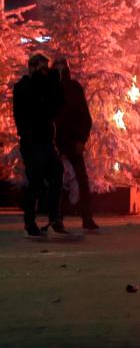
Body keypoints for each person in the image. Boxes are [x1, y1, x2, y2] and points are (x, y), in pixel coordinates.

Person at [13, 53, 67, 238]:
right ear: (33, 67)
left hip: (45, 140)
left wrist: (55, 80)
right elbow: (31, 103)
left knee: (56, 175)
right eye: (42, 68)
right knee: (35, 182)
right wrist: (43, 79)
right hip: (31, 141)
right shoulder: (23, 86)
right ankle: (30, 223)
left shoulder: (45, 86)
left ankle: (54, 219)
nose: (45, 72)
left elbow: (57, 105)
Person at [50, 58, 98, 231]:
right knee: (57, 181)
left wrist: (81, 139)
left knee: (81, 180)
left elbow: (85, 116)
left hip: (72, 141)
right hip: (57, 142)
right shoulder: (50, 89)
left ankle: (86, 217)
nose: (61, 73)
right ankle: (58, 218)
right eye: (58, 70)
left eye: (63, 69)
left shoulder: (74, 88)